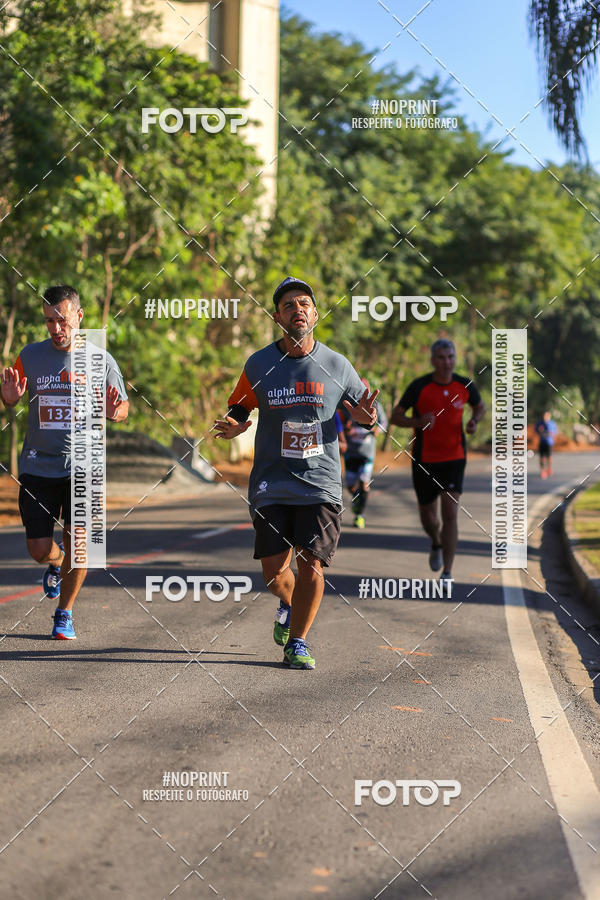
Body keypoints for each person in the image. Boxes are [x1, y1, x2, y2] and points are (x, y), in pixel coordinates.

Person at [214, 276, 378, 669]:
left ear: (316, 314)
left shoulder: (337, 364)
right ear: (278, 316)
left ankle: (298, 643)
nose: (297, 310)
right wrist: (236, 423)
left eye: (304, 303)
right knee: (273, 572)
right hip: (272, 480)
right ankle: (288, 603)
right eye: (288, 305)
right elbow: (239, 405)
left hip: (320, 481)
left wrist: (367, 418)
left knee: (313, 563)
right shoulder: (260, 363)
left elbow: (365, 412)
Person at [1, 285, 128, 639]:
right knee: (39, 549)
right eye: (48, 321)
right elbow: (12, 393)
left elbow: (123, 406)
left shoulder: (100, 359)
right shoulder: (30, 355)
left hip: (85, 463)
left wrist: (116, 411)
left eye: (61, 320)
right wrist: (9, 398)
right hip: (38, 465)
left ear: (78, 317)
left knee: (82, 544)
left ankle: (65, 613)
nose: (55, 329)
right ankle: (57, 563)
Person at [390, 339, 485, 591]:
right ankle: (435, 541)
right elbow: (395, 416)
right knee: (429, 518)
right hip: (424, 460)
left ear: (456, 358)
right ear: (433, 360)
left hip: (454, 458)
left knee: (451, 512)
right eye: (441, 357)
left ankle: (448, 572)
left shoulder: (464, 384)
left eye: (451, 357)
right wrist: (418, 421)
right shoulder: (419, 386)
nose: (447, 362)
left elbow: (479, 406)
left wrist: (474, 421)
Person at [338, 379, 388, 528]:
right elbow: (338, 425)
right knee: (351, 486)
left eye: (364, 392)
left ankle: (359, 515)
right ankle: (356, 501)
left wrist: (375, 429)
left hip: (367, 453)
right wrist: (345, 429)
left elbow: (383, 424)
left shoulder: (376, 405)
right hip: (351, 453)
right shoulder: (346, 406)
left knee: (364, 484)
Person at [535, 411, 558, 478]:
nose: (545, 417)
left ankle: (549, 468)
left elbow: (555, 432)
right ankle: (543, 471)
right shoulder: (540, 423)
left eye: (547, 416)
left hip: (549, 443)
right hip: (542, 442)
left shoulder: (552, 423)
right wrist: (540, 431)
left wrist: (551, 434)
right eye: (544, 416)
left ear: (549, 416)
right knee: (542, 457)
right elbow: (536, 430)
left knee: (549, 457)